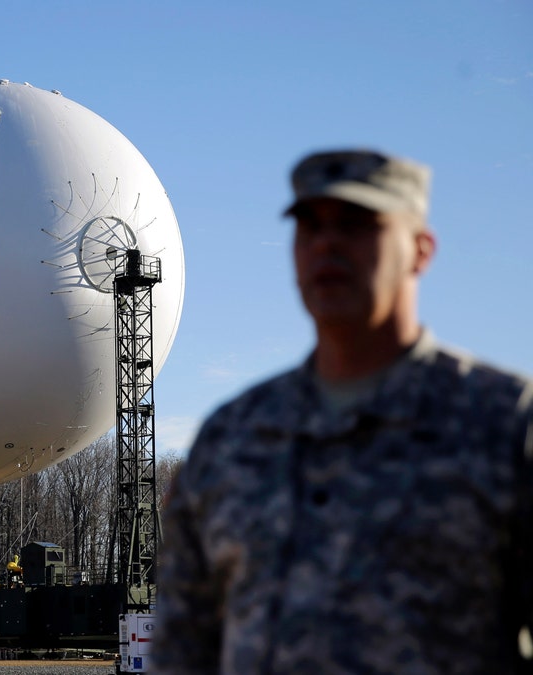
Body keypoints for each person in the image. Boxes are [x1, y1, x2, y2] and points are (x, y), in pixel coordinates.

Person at [154, 149, 533, 673]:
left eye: (358, 224)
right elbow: (182, 650)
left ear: (421, 249)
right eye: (309, 226)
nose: (327, 243)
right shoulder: (232, 438)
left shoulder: (504, 424)